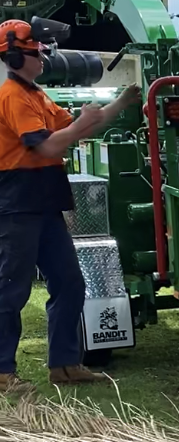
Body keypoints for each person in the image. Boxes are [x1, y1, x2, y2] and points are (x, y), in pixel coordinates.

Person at [0, 20, 141, 391]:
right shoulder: (13, 97)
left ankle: (64, 364)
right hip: (18, 205)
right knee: (12, 289)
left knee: (70, 282)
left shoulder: (37, 95)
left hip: (44, 204)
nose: (45, 55)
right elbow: (47, 146)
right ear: (16, 56)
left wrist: (122, 102)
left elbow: (79, 128)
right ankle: (2, 371)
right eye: (38, 50)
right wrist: (83, 124)